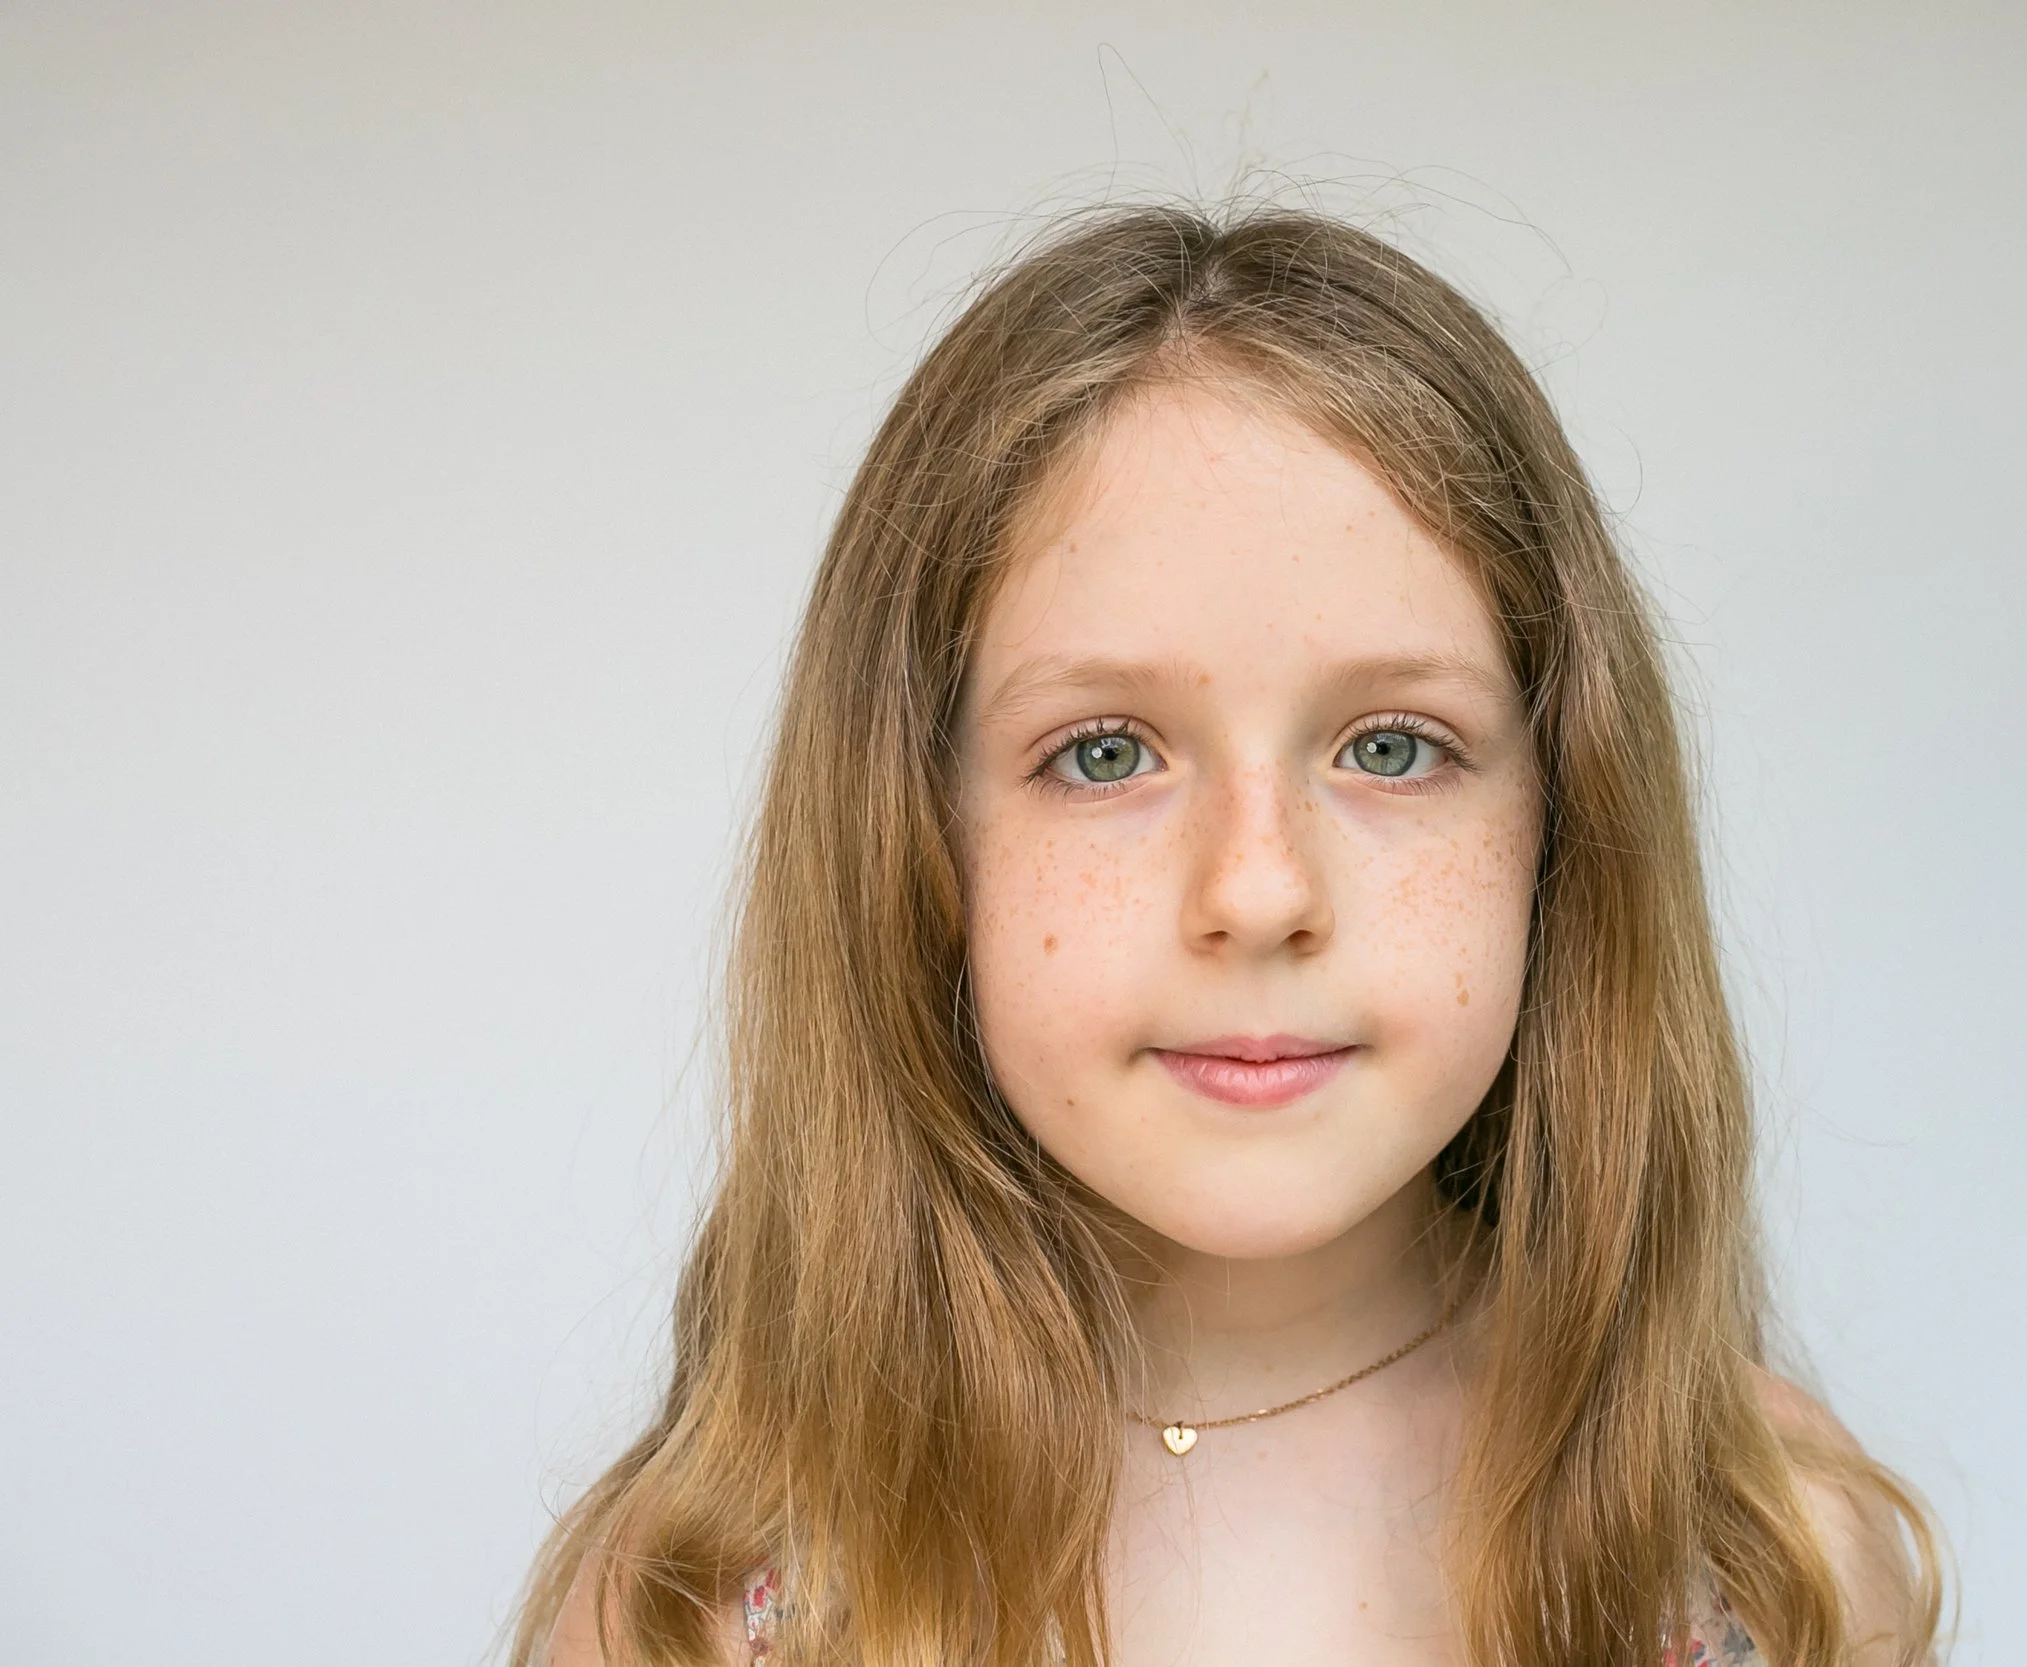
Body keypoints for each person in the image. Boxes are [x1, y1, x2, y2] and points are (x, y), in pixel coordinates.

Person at [512, 204, 1943, 1667]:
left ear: (1561, 829)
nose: (1258, 890)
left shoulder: (1756, 1557)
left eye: (1391, 748)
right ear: (919, 845)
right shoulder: (720, 1596)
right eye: (1106, 753)